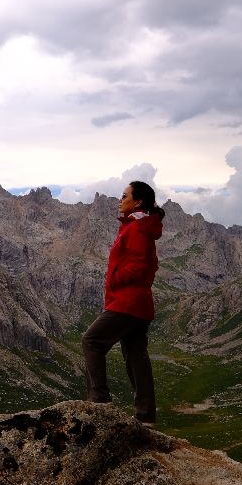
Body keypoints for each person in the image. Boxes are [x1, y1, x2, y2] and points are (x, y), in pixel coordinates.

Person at [81, 180, 165, 425]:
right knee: (136, 355)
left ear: (137, 201)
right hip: (138, 303)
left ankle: (100, 403)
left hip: (127, 302)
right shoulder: (139, 226)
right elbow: (152, 263)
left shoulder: (137, 228)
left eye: (124, 195)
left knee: (92, 341)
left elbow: (140, 265)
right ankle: (146, 415)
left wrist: (116, 280)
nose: (120, 199)